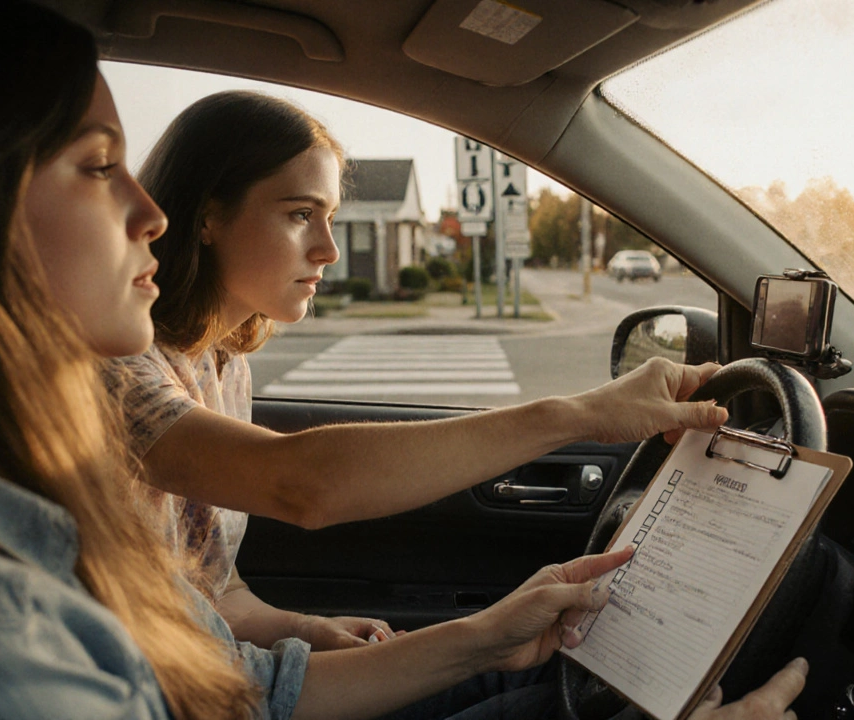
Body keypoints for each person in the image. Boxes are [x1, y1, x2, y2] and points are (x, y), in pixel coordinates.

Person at [0, 2, 810, 719]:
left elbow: (209, 623)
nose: (147, 215)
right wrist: (578, 413)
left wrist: (463, 628)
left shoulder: (28, 490)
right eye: (95, 167)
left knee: (550, 680)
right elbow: (297, 485)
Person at [114, 89, 732, 651]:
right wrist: (584, 414)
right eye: (300, 213)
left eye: (329, 216)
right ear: (206, 216)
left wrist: (303, 629)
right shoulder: (117, 366)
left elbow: (211, 591)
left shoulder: (223, 365)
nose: (328, 248)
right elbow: (299, 485)